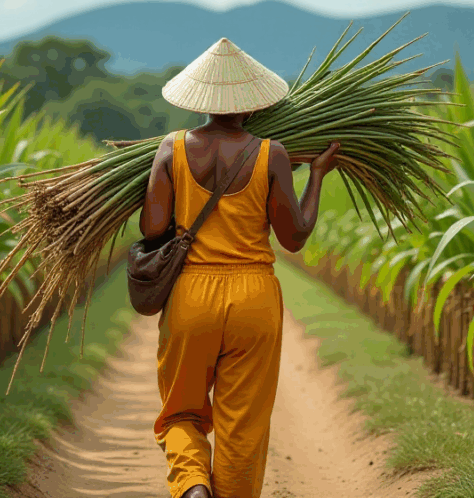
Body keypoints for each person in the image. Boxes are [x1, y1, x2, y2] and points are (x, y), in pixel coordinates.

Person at [139, 37, 341, 498]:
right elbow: (295, 236)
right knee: (242, 422)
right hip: (254, 298)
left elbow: (153, 229)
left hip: (191, 294)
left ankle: (192, 487)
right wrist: (318, 176)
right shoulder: (274, 153)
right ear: (251, 105)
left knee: (182, 411)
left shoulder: (171, 149)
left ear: (199, 101)